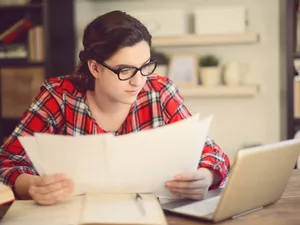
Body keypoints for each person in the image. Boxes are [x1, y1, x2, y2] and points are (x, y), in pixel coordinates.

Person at [0, 10, 230, 206]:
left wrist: (205, 176)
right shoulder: (58, 95)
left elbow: (212, 153)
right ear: (95, 68)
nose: (138, 82)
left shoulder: (159, 91)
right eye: (125, 70)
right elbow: (8, 159)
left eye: (145, 67)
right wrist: (32, 186)